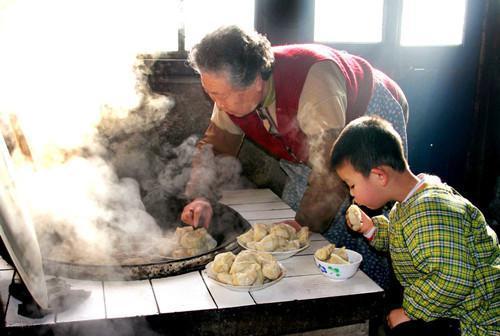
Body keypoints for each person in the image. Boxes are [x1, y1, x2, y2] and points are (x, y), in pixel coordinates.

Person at [180, 25, 409, 289]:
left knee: (367, 210)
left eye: (219, 95)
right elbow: (216, 146)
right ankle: (314, 292)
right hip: (317, 146)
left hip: (369, 113)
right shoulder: (234, 92)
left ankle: (374, 302)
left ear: (255, 83)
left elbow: (330, 167)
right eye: (210, 94)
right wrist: (201, 195)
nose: (216, 103)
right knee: (294, 231)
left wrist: (304, 222)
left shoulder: (313, 79)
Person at [330, 116, 500, 336]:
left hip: (476, 321)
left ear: (379, 176)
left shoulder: (429, 211)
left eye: (352, 185)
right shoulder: (409, 203)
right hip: (453, 305)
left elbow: (452, 279)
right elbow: (403, 239)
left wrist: (411, 312)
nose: (351, 194)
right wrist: (371, 229)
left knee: (402, 328)